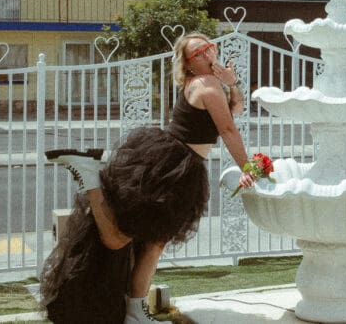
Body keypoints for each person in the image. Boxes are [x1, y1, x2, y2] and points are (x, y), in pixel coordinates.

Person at [39, 32, 258, 324]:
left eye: (208, 47)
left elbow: (236, 109)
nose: (207, 54)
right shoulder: (206, 85)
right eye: (198, 53)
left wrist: (233, 85)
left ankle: (135, 310)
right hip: (174, 168)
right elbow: (229, 130)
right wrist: (249, 168)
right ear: (189, 64)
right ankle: (90, 178)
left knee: (149, 243)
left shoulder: (210, 83)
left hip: (175, 163)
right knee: (125, 239)